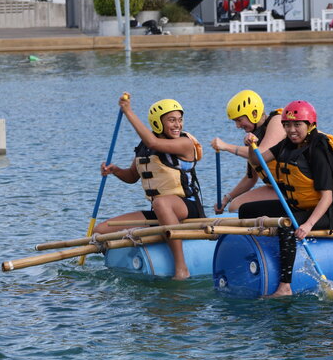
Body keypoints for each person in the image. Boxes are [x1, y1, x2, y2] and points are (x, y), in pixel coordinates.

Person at [238, 100, 333, 297]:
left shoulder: (319, 150)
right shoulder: (286, 145)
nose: (292, 130)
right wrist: (251, 146)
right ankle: (254, 256)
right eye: (287, 125)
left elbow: (327, 197)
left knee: (286, 225)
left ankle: (285, 287)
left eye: (297, 124)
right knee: (246, 210)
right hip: (295, 206)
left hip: (325, 212)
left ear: (310, 125)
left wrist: (308, 225)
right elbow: (257, 160)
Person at [94, 94, 205, 280]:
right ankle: (121, 267)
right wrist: (115, 170)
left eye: (179, 120)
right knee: (101, 231)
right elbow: (131, 177)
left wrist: (128, 111)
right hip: (161, 211)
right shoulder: (144, 147)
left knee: (161, 203)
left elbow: (153, 142)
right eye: (171, 120)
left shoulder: (184, 143)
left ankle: (181, 268)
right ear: (157, 123)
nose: (177, 125)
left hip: (188, 207)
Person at [210, 90, 285, 213]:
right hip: (277, 188)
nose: (237, 126)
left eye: (239, 120)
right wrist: (226, 199)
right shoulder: (253, 137)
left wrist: (226, 146)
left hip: (294, 188)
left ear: (254, 113)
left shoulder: (278, 121)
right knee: (234, 206)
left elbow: (261, 154)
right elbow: (251, 178)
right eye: (235, 121)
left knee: (240, 208)